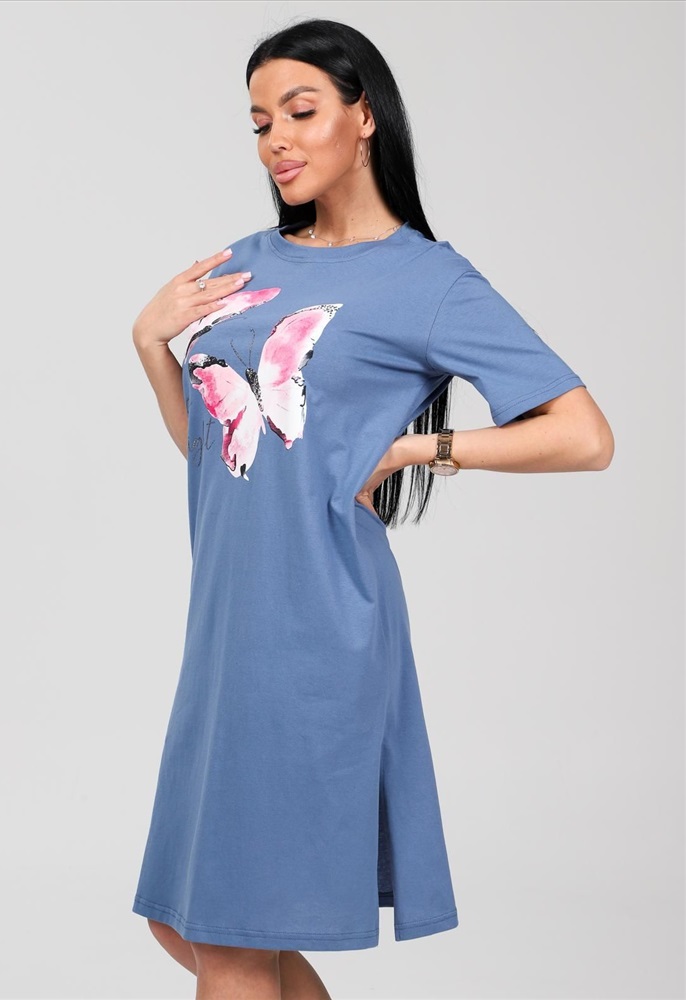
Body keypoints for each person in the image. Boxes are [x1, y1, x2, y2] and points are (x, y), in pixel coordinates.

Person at [130, 17, 615, 1000]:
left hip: (316, 634)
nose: (276, 141)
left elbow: (584, 434)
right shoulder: (238, 265)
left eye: (300, 111)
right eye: (260, 122)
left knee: (231, 933)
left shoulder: (427, 280)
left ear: (364, 117)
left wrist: (418, 448)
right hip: (225, 631)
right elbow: (224, 457)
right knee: (189, 919)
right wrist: (151, 348)